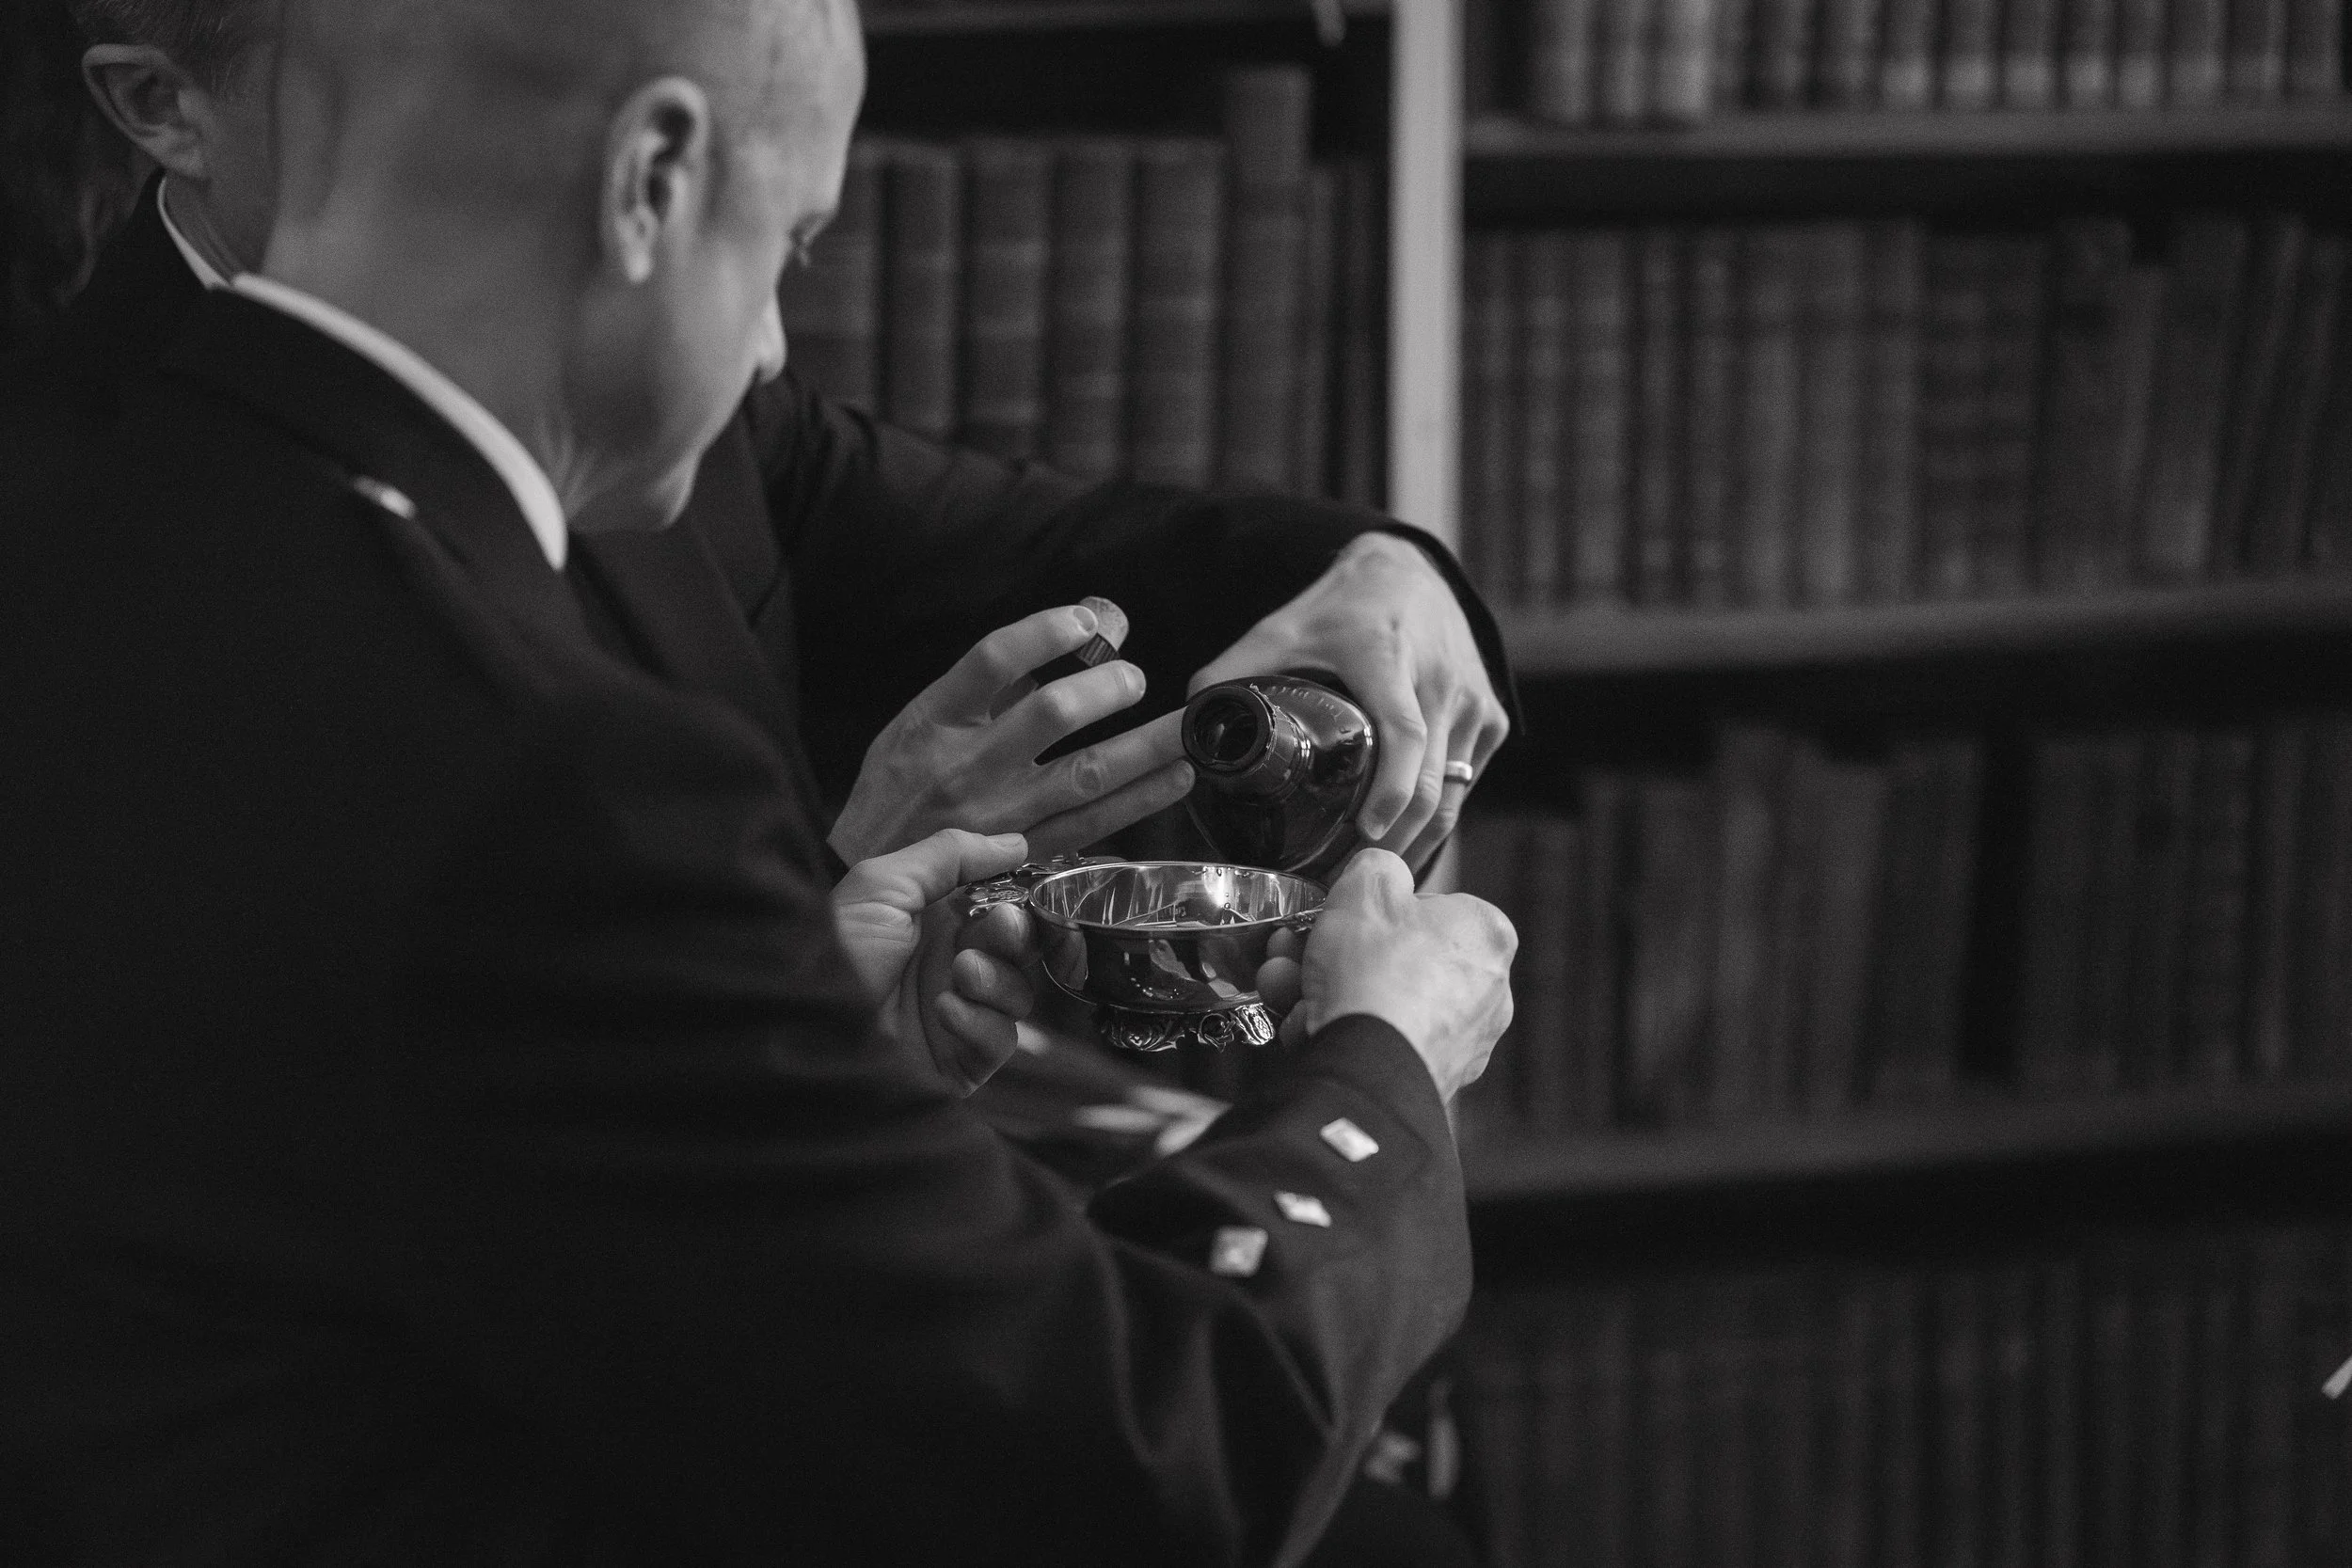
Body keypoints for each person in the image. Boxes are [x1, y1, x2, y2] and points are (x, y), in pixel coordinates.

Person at [0, 3, 1518, 1566]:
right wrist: (1385, 1062)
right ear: (649, 177)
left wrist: (789, 1029)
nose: (781, 344)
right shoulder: (569, 793)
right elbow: (1148, 1459)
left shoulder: (94, 545)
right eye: (791, 247)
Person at [11, 0, 1516, 892]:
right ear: (164, 111)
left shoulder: (697, 399)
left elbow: (1072, 548)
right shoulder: (76, 540)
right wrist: (840, 921)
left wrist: (1378, 572)